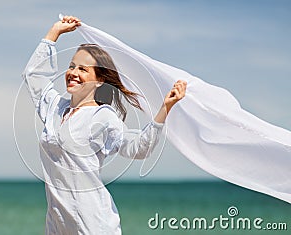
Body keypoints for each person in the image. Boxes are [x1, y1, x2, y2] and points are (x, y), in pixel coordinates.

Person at [22, 15, 187, 235]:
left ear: (99, 80)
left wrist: (165, 108)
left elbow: (138, 148)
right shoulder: (54, 107)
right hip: (58, 223)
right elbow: (33, 75)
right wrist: (54, 33)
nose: (73, 73)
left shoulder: (102, 116)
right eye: (72, 66)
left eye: (83, 69)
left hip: (93, 224)